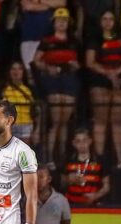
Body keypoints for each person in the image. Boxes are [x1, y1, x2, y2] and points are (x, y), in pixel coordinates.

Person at [85, 9, 121, 169]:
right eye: (104, 18)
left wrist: (118, 72)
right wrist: (109, 74)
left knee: (118, 122)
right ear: (100, 21)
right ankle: (99, 160)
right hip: (100, 81)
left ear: (115, 21)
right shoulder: (94, 38)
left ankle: (120, 160)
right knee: (100, 121)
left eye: (110, 19)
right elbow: (90, 61)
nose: (107, 22)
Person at [34, 8, 80, 164]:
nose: (62, 23)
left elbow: (80, 63)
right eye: (59, 20)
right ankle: (50, 157)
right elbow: (37, 61)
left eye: (65, 20)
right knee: (55, 121)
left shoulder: (74, 41)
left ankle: (62, 156)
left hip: (69, 79)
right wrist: (48, 68)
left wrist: (74, 65)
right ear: (54, 23)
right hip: (53, 79)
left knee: (64, 122)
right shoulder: (46, 41)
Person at [63, 128, 111, 205]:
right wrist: (70, 180)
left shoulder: (100, 161)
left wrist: (95, 196)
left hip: (93, 205)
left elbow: (107, 186)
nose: (82, 144)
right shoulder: (68, 161)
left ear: (90, 141)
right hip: (71, 205)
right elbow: (62, 183)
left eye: (84, 141)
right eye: (78, 141)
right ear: (74, 143)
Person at [1, 61, 37, 146]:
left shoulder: (29, 89)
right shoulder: (2, 89)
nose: (16, 72)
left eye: (19, 69)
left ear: (23, 72)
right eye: (13, 69)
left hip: (26, 125)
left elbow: (36, 109)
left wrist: (37, 130)